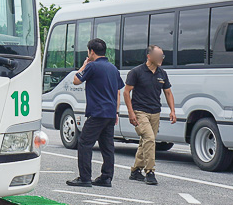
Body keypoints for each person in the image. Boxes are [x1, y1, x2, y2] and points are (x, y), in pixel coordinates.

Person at [67, 38, 123, 188]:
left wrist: (84, 65)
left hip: (97, 112)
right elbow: (118, 92)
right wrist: (116, 112)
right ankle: (106, 177)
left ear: (91, 52)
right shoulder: (113, 69)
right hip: (111, 113)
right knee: (107, 147)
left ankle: (85, 177)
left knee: (84, 143)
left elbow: (76, 80)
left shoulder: (92, 66)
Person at [124, 45, 176, 185]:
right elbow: (126, 92)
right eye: (159, 56)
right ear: (149, 56)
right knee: (149, 138)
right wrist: (131, 112)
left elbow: (168, 92)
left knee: (146, 142)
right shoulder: (136, 72)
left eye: (162, 56)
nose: (161, 59)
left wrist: (172, 110)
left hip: (155, 112)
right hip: (140, 111)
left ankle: (135, 171)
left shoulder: (162, 73)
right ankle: (150, 171)